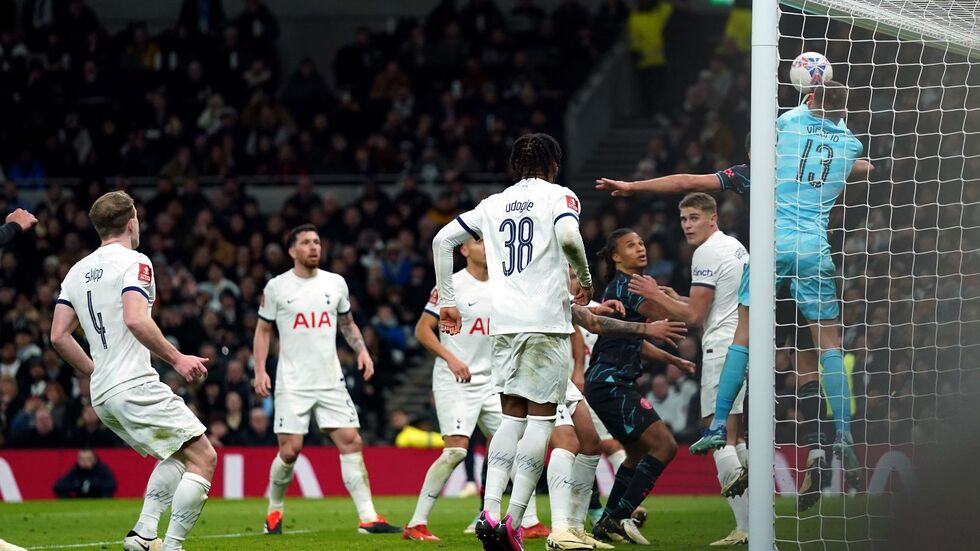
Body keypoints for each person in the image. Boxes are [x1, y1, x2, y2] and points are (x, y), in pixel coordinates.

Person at [595, 105, 873, 509]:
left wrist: (636, 187)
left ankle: (737, 434)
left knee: (754, 349)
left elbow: (688, 180)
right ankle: (821, 447)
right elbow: (856, 164)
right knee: (812, 360)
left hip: (771, 264)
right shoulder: (807, 163)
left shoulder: (750, 173)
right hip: (812, 260)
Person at [431, 132, 594, 551]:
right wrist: (586, 280)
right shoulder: (560, 197)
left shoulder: (492, 204)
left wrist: (447, 301)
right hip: (545, 325)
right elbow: (571, 239)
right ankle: (513, 521)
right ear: (554, 165)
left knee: (510, 421)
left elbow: (441, 240)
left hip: (503, 328)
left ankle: (488, 509)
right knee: (540, 423)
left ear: (515, 167)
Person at [51, 191, 216, 551]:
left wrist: (96, 373)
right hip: (134, 384)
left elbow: (59, 336)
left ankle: (143, 534)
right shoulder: (135, 261)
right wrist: (177, 358)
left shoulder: (76, 271)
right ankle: (171, 547)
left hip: (104, 394)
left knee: (176, 454)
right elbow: (135, 318)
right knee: (205, 457)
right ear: (131, 222)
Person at [253, 223, 399, 536]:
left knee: (351, 441)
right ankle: (274, 512)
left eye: (317, 241)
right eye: (306, 242)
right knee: (290, 450)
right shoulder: (277, 287)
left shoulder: (336, 283)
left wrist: (361, 350)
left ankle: (368, 517)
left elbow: (347, 323)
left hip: (330, 380)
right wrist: (260, 369)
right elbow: (263, 330)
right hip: (293, 382)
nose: (314, 247)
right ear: (292, 251)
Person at [403, 237, 547, 542]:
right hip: (456, 380)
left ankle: (529, 521)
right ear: (464, 250)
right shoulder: (450, 285)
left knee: (515, 448)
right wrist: (452, 359)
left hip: (494, 382)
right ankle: (416, 523)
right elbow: (422, 330)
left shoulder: (504, 285)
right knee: (456, 450)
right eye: (478, 241)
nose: (485, 246)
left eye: (487, 241)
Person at [627, 192, 750, 546]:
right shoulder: (734, 246)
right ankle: (758, 521)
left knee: (719, 435)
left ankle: (745, 528)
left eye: (694, 218)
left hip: (721, 349)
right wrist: (673, 297)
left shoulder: (706, 253)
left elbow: (695, 318)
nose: (687, 226)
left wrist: (657, 295)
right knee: (737, 436)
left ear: (713, 218)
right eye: (683, 219)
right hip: (744, 342)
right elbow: (710, 305)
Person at [546, 271, 689, 551]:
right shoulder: (557, 298)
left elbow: (617, 333)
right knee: (567, 444)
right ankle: (546, 524)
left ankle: (585, 523)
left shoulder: (599, 304)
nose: (578, 281)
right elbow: (588, 326)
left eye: (580, 275)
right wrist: (578, 368)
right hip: (572, 378)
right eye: (571, 275)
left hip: (579, 381)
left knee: (594, 444)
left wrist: (672, 357)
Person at [585, 228, 692, 545]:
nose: (641, 248)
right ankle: (620, 517)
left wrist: (674, 361)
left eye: (641, 243)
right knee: (665, 446)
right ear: (616, 257)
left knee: (634, 454)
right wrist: (670, 298)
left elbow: (637, 341)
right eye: (631, 245)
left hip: (611, 381)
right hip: (610, 383)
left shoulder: (627, 288)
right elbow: (682, 315)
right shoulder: (630, 288)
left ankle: (607, 521)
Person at [53, 449, 118, 498]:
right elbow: (58, 486)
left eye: (88, 459)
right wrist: (76, 486)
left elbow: (112, 485)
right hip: (78, 500)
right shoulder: (75, 470)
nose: (85, 462)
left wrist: (94, 486)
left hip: (98, 498)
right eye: (82, 459)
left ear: (95, 459)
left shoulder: (102, 469)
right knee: (63, 494)